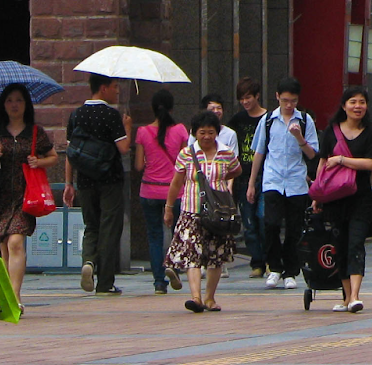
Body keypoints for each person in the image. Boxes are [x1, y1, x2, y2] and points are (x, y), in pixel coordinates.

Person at [0, 82, 58, 307]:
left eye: (19, 100)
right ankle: (7, 294)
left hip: (25, 197)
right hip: (0, 197)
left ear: (26, 104)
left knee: (16, 243)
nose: (14, 105)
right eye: (10, 100)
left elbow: (53, 157)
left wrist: (38, 162)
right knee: (4, 246)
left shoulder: (35, 132)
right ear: (3, 104)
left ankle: (15, 296)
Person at [163, 111, 241, 312]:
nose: (206, 136)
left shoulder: (225, 153)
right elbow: (176, 182)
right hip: (191, 210)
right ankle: (196, 298)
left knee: (216, 255)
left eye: (211, 132)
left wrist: (220, 184)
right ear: (194, 133)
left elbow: (236, 170)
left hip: (218, 212)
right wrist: (169, 207)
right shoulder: (187, 154)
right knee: (192, 255)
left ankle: (209, 298)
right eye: (202, 132)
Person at [65, 72, 133, 295]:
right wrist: (128, 128)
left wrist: (68, 183)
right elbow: (123, 148)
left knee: (91, 226)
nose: (117, 91)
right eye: (115, 86)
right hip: (110, 179)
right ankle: (105, 283)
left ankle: (88, 262)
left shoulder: (76, 115)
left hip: (85, 180)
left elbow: (70, 153)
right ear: (103, 88)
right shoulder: (111, 115)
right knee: (110, 228)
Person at [248, 77, 319, 289]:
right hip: (273, 179)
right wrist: (252, 183)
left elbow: (313, 154)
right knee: (270, 224)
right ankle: (275, 267)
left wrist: (299, 138)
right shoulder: (268, 120)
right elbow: (259, 151)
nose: (289, 105)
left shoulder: (305, 120)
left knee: (294, 228)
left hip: (296, 180)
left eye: (293, 101)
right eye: (285, 100)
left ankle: (291, 271)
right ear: (277, 97)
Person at [317, 85, 372, 312]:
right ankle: (346, 297)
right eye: (353, 102)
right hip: (334, 198)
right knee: (339, 246)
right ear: (344, 106)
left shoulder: (371, 132)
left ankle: (354, 296)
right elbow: (323, 163)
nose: (358, 106)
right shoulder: (331, 131)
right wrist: (317, 194)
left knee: (356, 243)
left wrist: (342, 159)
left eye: (362, 102)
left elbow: (370, 163)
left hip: (361, 197)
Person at [132, 88, 188, 294]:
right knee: (177, 234)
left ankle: (158, 282)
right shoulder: (181, 130)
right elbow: (185, 164)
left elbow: (138, 166)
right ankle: (173, 266)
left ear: (153, 109)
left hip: (149, 191)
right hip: (175, 193)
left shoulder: (143, 132)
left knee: (154, 236)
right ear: (172, 108)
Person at [227, 78, 267, 278]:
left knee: (264, 218)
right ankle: (257, 263)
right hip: (243, 176)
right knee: (249, 222)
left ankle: (269, 260)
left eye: (248, 97)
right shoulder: (237, 121)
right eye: (242, 98)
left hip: (265, 175)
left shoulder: (268, 118)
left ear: (257, 96)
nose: (245, 102)